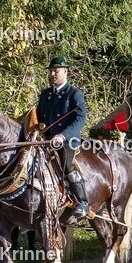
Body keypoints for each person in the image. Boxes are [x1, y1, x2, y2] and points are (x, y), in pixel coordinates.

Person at [38, 56, 89, 222]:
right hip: (47, 140)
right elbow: (39, 117)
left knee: (66, 164)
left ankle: (82, 203)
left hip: (68, 140)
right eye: (51, 71)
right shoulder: (45, 94)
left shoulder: (75, 94)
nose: (53, 74)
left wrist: (62, 135)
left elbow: (80, 119)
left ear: (65, 72)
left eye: (56, 71)